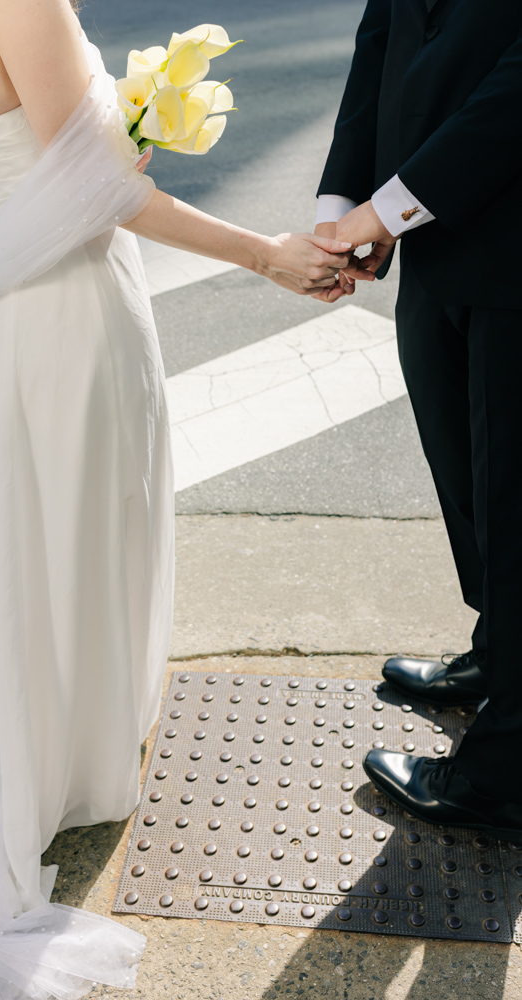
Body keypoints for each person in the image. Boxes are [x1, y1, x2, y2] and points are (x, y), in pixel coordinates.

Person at [0, 1, 357, 997]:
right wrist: (267, 254)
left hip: (12, 312)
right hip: (65, 310)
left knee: (35, 547)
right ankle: (68, 762)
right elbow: (99, 189)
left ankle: (56, 754)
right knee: (78, 538)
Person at [314, 0, 522, 838]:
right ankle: (501, 656)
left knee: (514, 503)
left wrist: (387, 209)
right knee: (466, 474)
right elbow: (384, 41)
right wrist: (343, 206)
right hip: (433, 248)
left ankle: (503, 774)